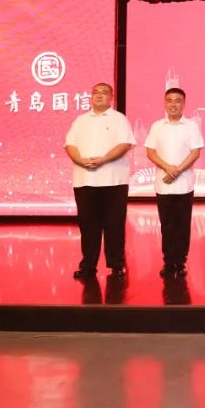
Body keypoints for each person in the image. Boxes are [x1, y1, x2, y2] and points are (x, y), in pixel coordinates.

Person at [64, 82, 136, 279]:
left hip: (113, 180)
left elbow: (125, 144)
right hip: (84, 180)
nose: (99, 95)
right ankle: (88, 266)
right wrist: (80, 160)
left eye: (104, 92)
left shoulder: (119, 119)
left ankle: (117, 265)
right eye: (95, 92)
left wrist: (103, 159)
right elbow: (70, 145)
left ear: (111, 97)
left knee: (114, 225)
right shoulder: (80, 120)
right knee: (88, 225)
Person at [144, 87, 204, 279]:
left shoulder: (191, 126)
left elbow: (195, 152)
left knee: (183, 225)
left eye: (177, 101)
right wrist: (168, 168)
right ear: (165, 103)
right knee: (167, 226)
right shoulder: (157, 126)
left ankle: (181, 262)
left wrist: (177, 170)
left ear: (183, 104)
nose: (173, 104)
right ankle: (169, 262)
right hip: (163, 184)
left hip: (184, 184)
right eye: (169, 100)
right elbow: (150, 152)